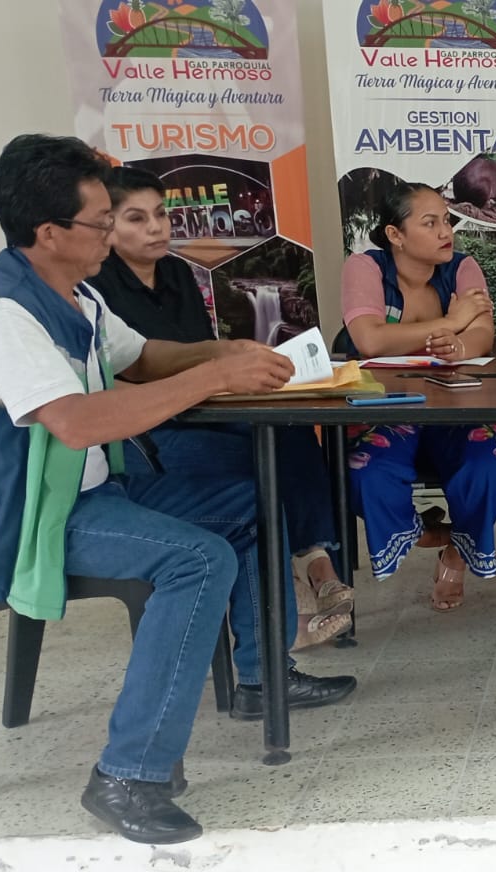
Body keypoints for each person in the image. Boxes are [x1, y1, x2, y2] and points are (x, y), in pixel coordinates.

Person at [0, 134, 349, 844]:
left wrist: (226, 351)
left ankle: (260, 677)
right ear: (48, 232)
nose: (110, 234)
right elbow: (78, 422)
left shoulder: (76, 294)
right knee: (198, 559)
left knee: (254, 497)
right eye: (102, 222)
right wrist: (215, 376)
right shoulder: (5, 313)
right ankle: (128, 773)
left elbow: (144, 357)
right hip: (32, 518)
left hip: (95, 493)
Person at [93, 166, 355, 651]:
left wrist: (237, 361)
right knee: (262, 463)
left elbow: (198, 349)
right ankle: (292, 603)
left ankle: (315, 561)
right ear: (105, 226)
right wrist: (214, 368)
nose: (156, 227)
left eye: (160, 214)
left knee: (291, 429)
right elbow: (130, 374)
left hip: (207, 407)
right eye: (136, 218)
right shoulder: (97, 287)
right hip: (153, 430)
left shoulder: (176, 271)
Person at [339, 181, 496, 611]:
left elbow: (482, 334)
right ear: (395, 234)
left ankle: (456, 555)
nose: (445, 231)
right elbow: (369, 340)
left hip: (456, 403)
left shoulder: (464, 267)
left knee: (490, 463)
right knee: (365, 472)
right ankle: (427, 532)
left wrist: (461, 345)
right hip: (386, 406)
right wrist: (451, 322)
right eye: (430, 223)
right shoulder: (365, 267)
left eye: (447, 221)